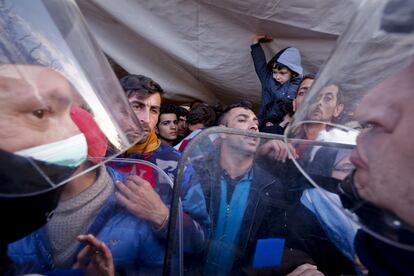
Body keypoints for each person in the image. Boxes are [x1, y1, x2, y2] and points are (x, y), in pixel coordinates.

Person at [181, 101, 353, 275]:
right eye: (242, 119)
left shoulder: (272, 187)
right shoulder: (198, 175)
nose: (253, 125)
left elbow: (271, 247)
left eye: (255, 121)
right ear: (222, 132)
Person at [251, 34, 303, 123]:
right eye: (274, 72)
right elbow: (260, 64)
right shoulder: (268, 80)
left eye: (282, 73)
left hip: (284, 127)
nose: (277, 76)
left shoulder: (298, 86)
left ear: (293, 73)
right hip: (263, 123)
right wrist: (255, 44)